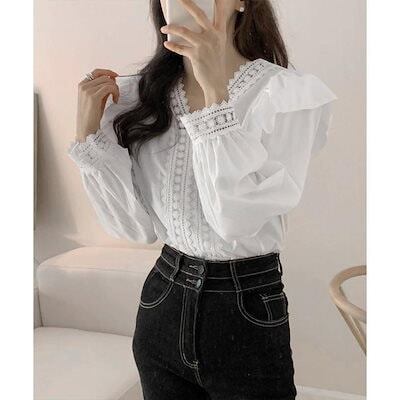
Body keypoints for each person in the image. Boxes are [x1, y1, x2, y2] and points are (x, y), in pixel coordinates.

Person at [68, 0, 337, 398]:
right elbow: (135, 229)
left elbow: (233, 221)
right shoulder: (139, 96)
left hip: (244, 309)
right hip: (162, 301)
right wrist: (87, 135)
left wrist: (214, 96)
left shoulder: (287, 95)